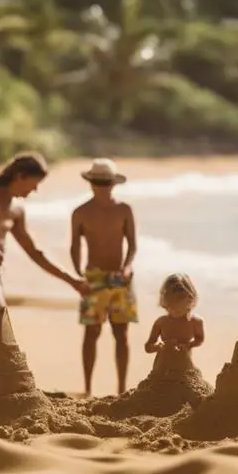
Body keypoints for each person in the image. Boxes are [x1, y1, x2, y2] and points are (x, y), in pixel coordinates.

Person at [0, 153, 89, 372]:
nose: (34, 190)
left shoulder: (16, 209)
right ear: (19, 176)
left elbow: (34, 251)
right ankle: (6, 378)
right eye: (33, 184)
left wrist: (72, 281)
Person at [70, 158, 138, 397]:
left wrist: (127, 267)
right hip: (94, 278)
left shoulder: (124, 210)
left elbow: (132, 245)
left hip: (120, 278)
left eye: (106, 183)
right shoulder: (80, 212)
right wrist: (78, 272)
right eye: (98, 183)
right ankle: (87, 388)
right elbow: (75, 246)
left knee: (121, 334)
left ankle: (121, 389)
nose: (102, 187)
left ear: (113, 184)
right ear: (91, 183)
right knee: (92, 333)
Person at [143, 273, 205, 356]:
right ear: (165, 304)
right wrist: (158, 346)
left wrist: (189, 345)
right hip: (163, 362)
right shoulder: (161, 322)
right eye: (171, 308)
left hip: (184, 361)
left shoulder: (195, 322)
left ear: (190, 301)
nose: (175, 311)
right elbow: (148, 347)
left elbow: (200, 339)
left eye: (179, 309)